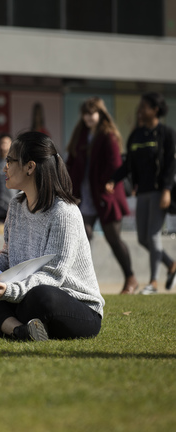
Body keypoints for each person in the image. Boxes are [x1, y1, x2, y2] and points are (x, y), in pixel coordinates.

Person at [0, 131, 105, 341]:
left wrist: (10, 291)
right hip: (24, 293)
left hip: (74, 304)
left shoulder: (64, 212)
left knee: (41, 296)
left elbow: (53, 276)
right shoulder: (16, 205)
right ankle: (18, 330)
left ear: (30, 166)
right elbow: (8, 257)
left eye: (10, 161)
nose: (4, 168)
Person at [66, 97, 137, 294]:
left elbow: (115, 164)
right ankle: (82, 281)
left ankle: (130, 277)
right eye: (85, 113)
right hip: (84, 195)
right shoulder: (80, 134)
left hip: (106, 195)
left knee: (113, 238)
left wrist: (110, 181)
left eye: (92, 113)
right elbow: (71, 160)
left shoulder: (108, 135)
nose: (88, 117)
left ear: (100, 113)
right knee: (83, 235)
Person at [107, 92, 176, 295]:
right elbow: (128, 164)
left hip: (158, 192)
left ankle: (153, 283)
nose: (140, 109)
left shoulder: (166, 133)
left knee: (153, 236)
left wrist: (166, 190)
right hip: (142, 193)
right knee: (143, 239)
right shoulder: (136, 135)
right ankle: (171, 264)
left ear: (155, 110)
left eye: (144, 106)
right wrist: (113, 179)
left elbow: (171, 165)